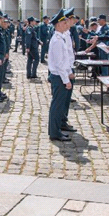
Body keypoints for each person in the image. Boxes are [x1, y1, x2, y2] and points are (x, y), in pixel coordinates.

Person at [48, 9, 72, 142]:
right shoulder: (57, 40)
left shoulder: (60, 38)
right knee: (57, 106)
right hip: (58, 77)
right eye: (63, 23)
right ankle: (55, 132)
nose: (66, 25)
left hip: (59, 76)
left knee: (58, 105)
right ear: (58, 25)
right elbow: (59, 64)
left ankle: (55, 130)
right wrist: (66, 80)